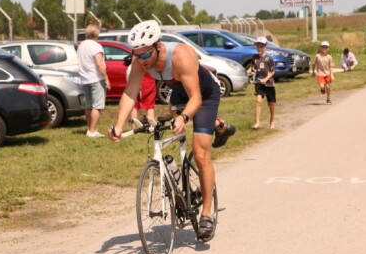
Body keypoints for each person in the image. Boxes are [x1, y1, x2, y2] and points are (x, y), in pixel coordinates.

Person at [108, 20, 235, 241]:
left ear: (158, 47)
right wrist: (118, 125)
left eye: (146, 55)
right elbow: (130, 92)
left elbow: (195, 97)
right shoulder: (141, 61)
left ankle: (206, 213)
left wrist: (185, 117)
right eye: (137, 55)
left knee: (201, 150)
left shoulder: (180, 56)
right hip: (178, 93)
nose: (142, 61)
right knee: (173, 131)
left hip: (203, 94)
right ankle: (182, 172)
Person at [77, 24, 111, 138]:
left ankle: (90, 128)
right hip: (96, 78)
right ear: (97, 34)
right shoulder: (96, 46)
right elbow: (100, 64)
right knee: (97, 106)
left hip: (85, 79)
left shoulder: (81, 45)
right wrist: (106, 79)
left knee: (89, 106)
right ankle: (92, 131)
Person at [251, 37, 276, 130]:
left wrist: (265, 79)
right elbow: (252, 67)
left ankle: (272, 119)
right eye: (258, 46)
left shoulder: (269, 59)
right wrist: (249, 70)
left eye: (261, 46)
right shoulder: (254, 57)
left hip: (269, 83)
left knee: (271, 104)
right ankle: (257, 122)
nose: (259, 48)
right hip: (258, 83)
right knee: (258, 101)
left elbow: (272, 72)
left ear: (265, 46)